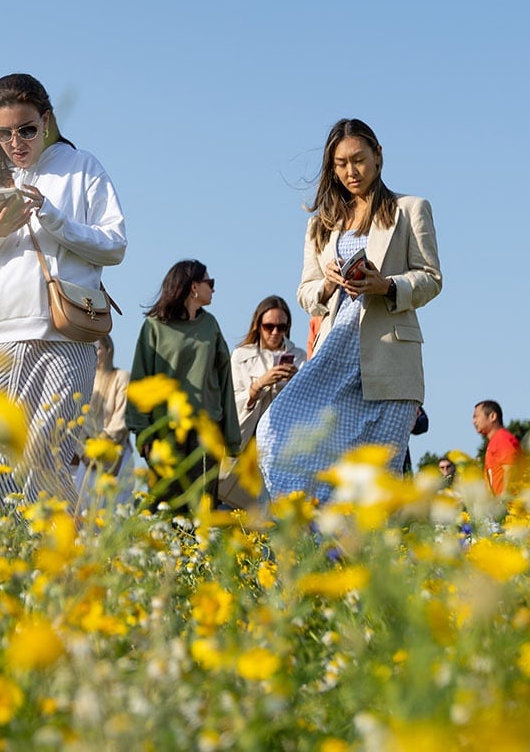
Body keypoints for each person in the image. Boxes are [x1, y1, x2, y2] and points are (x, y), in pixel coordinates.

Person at [0, 73, 127, 511]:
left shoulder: (82, 167)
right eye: (3, 133)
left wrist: (53, 217)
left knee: (42, 464)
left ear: (46, 120)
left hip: (65, 338)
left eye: (26, 129)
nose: (15, 142)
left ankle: (58, 571)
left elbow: (115, 244)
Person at [257, 118, 442, 504]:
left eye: (358, 160)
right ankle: (308, 534)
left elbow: (431, 278)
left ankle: (366, 559)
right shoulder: (320, 225)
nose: (350, 172)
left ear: (378, 156)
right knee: (275, 427)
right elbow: (307, 293)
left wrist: (387, 286)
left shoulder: (411, 209)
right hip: (334, 352)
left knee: (377, 483)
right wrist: (326, 283)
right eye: (340, 164)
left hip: (390, 356)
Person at [127, 261, 242, 512]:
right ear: (193, 287)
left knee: (201, 511)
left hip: (205, 433)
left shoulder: (211, 325)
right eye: (209, 283)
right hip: (165, 432)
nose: (213, 289)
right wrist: (142, 433)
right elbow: (140, 378)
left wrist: (232, 440)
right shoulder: (154, 327)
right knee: (164, 511)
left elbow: (225, 381)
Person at [231, 296, 304, 441]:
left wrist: (298, 380)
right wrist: (259, 385)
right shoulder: (241, 356)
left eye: (281, 327)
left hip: (284, 437)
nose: (275, 332)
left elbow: (309, 403)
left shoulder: (300, 356)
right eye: (269, 327)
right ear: (258, 325)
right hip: (248, 437)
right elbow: (231, 404)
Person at [76, 335, 134, 508]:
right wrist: (83, 451)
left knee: (112, 510)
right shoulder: (85, 380)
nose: (95, 352)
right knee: (83, 509)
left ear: (108, 350)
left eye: (99, 348)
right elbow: (79, 421)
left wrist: (102, 445)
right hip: (87, 458)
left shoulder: (122, 377)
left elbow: (121, 418)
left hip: (116, 454)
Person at [473, 400, 521, 495]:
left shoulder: (501, 438)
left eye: (476, 416)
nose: (474, 421)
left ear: (492, 416)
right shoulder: (495, 441)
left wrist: (504, 499)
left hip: (509, 506)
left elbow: (510, 469)